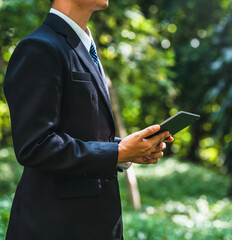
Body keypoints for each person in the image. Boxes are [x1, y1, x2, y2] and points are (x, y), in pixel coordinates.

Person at [3, 0, 173, 239]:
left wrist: (126, 149)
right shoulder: (38, 47)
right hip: (56, 226)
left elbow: (80, 132)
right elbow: (35, 145)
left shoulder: (85, 46)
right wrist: (118, 152)